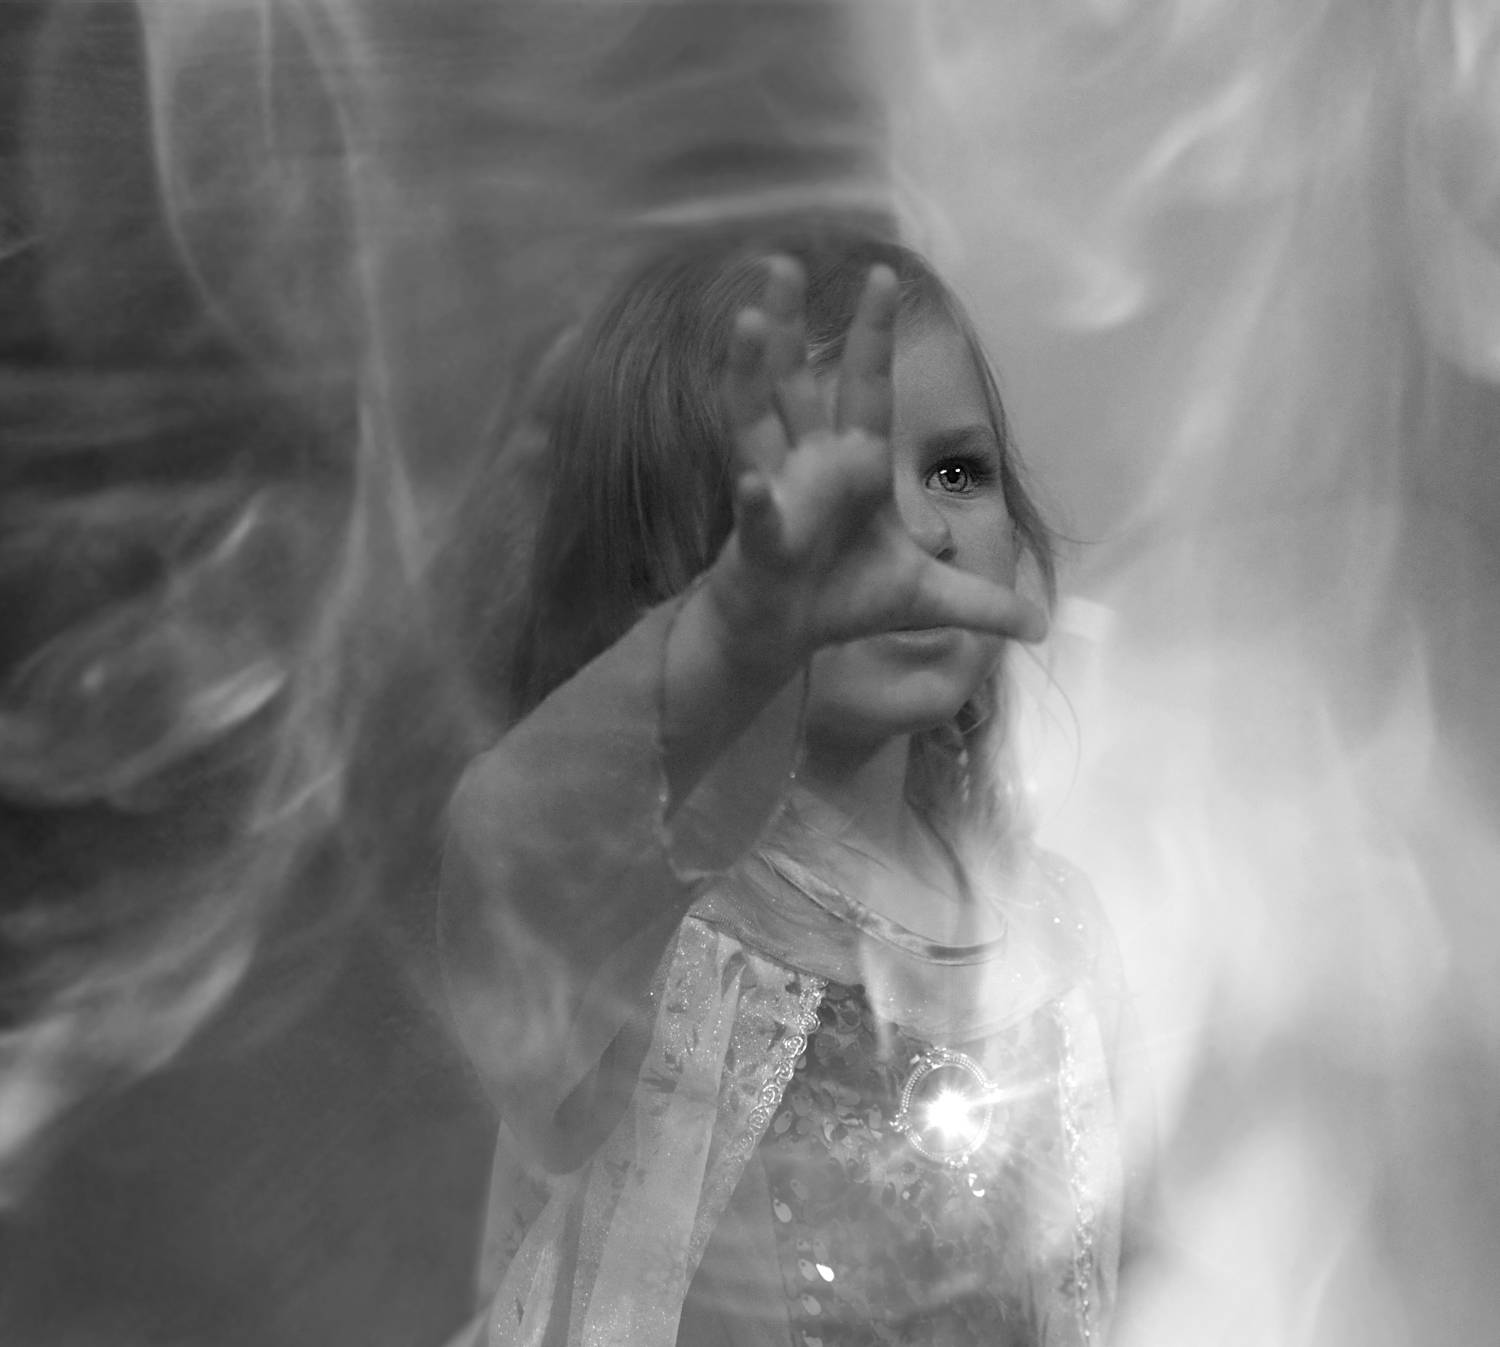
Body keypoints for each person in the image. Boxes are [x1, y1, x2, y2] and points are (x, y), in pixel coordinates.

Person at [440, 224, 1138, 1347]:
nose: (923, 529)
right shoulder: (650, 932)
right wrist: (735, 632)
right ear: (679, 568)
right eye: (838, 503)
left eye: (957, 471)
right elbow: (506, 846)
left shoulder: (1058, 939)